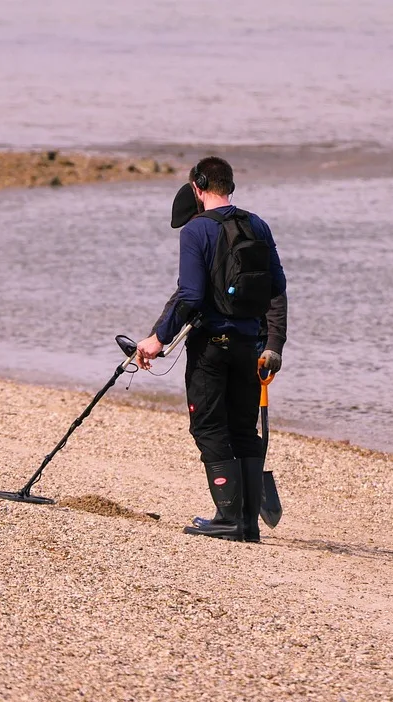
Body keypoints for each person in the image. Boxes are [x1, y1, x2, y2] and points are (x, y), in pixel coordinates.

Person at [136, 157, 287, 542]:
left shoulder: (195, 230)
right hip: (249, 347)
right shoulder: (258, 224)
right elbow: (277, 286)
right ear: (230, 185)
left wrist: (158, 339)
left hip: (212, 347)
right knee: (242, 429)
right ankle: (247, 523)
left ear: (198, 188)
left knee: (208, 426)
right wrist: (272, 343)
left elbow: (189, 295)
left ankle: (227, 517)